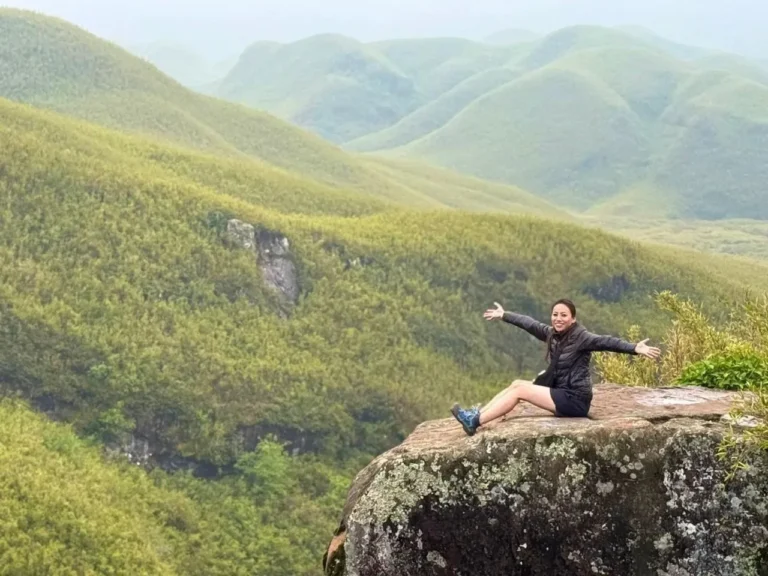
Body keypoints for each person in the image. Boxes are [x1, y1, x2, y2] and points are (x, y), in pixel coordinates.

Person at [451, 299, 661, 436]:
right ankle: (479, 414)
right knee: (517, 384)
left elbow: (607, 341)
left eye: (563, 315)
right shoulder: (553, 334)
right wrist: (505, 315)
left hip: (575, 400)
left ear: (573, 319)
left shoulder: (582, 337)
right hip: (562, 393)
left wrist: (635, 348)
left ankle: (475, 421)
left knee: (521, 390)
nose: (558, 318)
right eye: (555, 314)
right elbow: (529, 323)